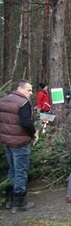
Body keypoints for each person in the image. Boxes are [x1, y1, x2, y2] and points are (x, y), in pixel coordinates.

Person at [0, 80, 38, 213]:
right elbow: (26, 123)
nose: (31, 93)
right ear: (20, 89)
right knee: (21, 171)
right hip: (20, 142)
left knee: (12, 169)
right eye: (29, 90)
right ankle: (19, 202)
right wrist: (33, 134)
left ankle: (10, 200)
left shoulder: (3, 100)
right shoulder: (23, 103)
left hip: (6, 141)